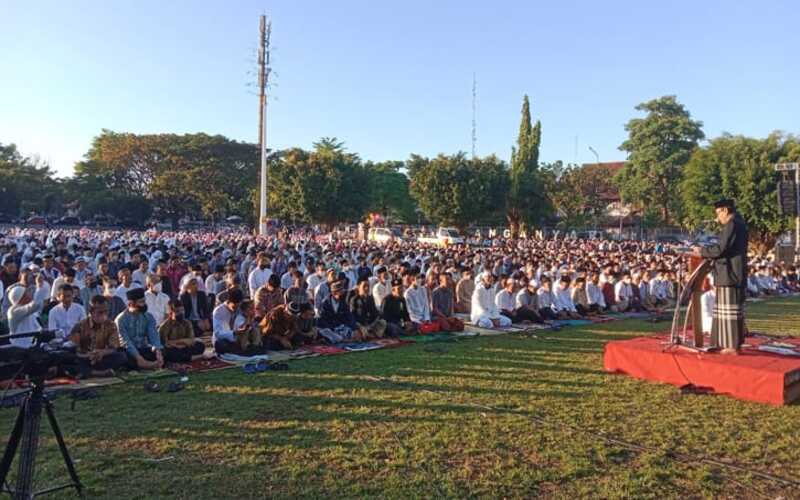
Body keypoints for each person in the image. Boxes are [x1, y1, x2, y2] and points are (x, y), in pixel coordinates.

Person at [694, 199, 749, 353]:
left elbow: (720, 249)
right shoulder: (740, 223)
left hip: (729, 273)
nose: (718, 218)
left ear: (725, 210)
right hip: (734, 272)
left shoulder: (732, 225)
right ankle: (731, 344)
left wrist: (702, 251)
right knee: (731, 311)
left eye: (718, 213)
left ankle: (730, 346)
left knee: (728, 311)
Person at [68, 295, 127, 378]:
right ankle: (99, 373)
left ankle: (87, 372)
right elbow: (75, 350)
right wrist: (89, 355)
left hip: (102, 357)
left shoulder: (110, 325)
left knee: (122, 356)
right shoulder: (80, 326)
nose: (104, 315)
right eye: (100, 312)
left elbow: (114, 347)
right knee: (70, 360)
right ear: (91, 312)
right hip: (85, 358)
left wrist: (101, 352)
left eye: (106, 311)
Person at [115, 288, 164, 370]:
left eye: (144, 301)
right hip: (130, 351)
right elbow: (125, 342)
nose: (144, 304)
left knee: (163, 351)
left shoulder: (148, 316)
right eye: (141, 302)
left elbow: (153, 336)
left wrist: (158, 352)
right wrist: (139, 358)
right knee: (123, 357)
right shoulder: (121, 319)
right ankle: (146, 364)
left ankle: (149, 364)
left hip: (143, 348)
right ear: (131, 303)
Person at [6, 274, 49, 346]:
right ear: (21, 297)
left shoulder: (28, 310)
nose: (29, 294)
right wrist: (39, 286)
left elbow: (38, 328)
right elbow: (35, 305)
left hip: (33, 346)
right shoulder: (13, 311)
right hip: (19, 349)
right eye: (26, 293)